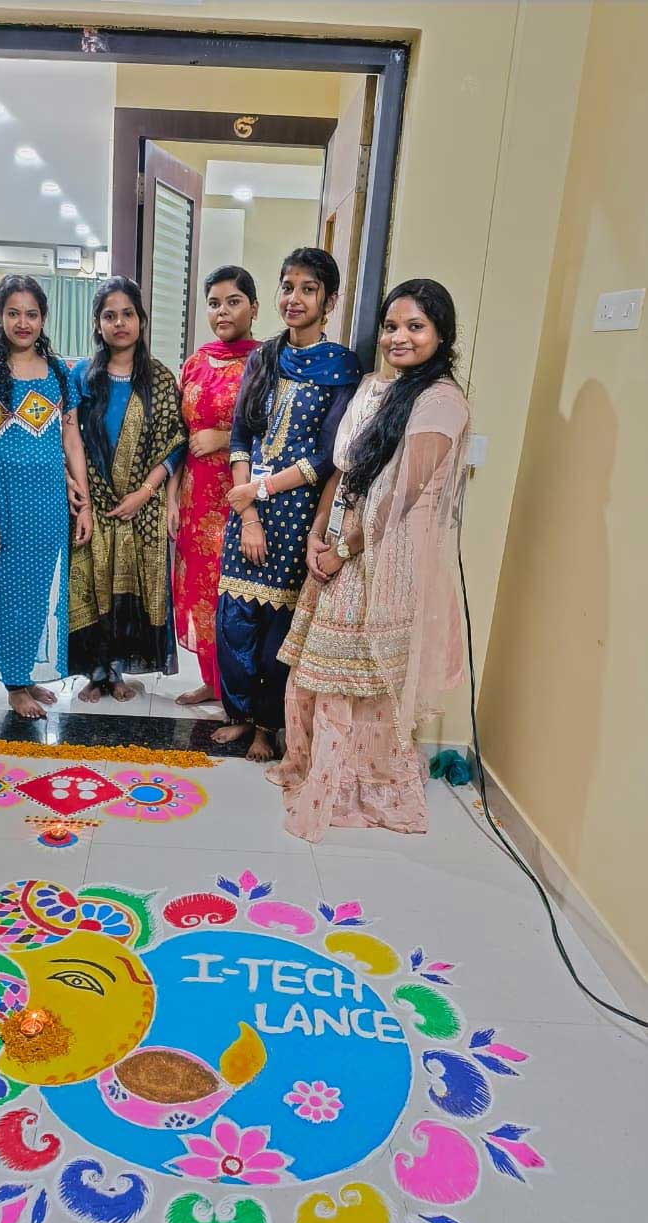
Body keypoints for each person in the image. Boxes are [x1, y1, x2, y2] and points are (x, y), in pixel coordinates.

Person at [268, 279, 470, 839]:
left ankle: (354, 784)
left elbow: (400, 498)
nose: (399, 337)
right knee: (321, 670)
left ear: (441, 334)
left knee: (354, 679)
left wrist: (342, 551)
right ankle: (317, 769)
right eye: (391, 326)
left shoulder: (440, 401)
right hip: (341, 545)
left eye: (415, 327)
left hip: (385, 559)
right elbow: (344, 471)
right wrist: (318, 535)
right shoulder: (377, 388)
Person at [213, 248, 361, 762]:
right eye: (287, 287)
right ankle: (238, 714)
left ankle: (266, 726)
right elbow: (241, 436)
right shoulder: (264, 357)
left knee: (279, 628)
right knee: (234, 620)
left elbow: (328, 455)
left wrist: (262, 490)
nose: (294, 299)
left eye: (308, 289)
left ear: (329, 301)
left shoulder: (341, 366)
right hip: (248, 511)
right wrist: (248, 512)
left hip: (297, 513)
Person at [0, 276, 91, 720]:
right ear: (0, 316)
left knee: (38, 593)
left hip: (50, 504)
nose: (23, 323)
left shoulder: (59, 372)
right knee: (8, 594)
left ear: (43, 318)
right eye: (13, 313)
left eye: (31, 314)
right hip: (5, 505)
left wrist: (85, 504)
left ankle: (24, 674)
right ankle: (14, 684)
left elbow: (72, 441)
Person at [68, 277, 187, 701]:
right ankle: (95, 670)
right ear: (97, 324)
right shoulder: (81, 376)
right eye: (109, 315)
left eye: (127, 314)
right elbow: (69, 437)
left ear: (141, 320)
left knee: (129, 590)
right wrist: (80, 494)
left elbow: (176, 441)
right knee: (93, 584)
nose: (119, 323)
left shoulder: (160, 379)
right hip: (93, 502)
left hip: (143, 506)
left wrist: (146, 493)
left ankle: (117, 670)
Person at [171, 266, 261, 707]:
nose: (222, 311)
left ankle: (238, 691)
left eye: (233, 301)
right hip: (194, 498)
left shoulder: (265, 363)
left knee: (234, 596)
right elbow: (177, 437)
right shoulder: (195, 363)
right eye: (214, 303)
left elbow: (276, 432)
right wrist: (171, 499)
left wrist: (224, 438)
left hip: (240, 500)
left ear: (254, 308)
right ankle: (212, 680)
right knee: (201, 595)